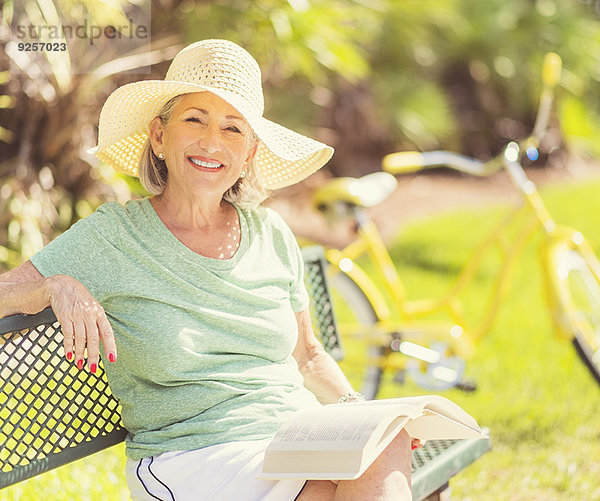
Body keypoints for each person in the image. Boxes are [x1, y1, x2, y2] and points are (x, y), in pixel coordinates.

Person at [0, 39, 416, 500]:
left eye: (233, 129)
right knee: (320, 488)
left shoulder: (271, 233)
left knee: (387, 440)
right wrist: (51, 286)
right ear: (159, 136)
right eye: (194, 119)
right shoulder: (112, 238)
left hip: (293, 435)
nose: (212, 143)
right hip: (193, 455)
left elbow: (309, 355)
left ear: (250, 153)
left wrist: (358, 415)